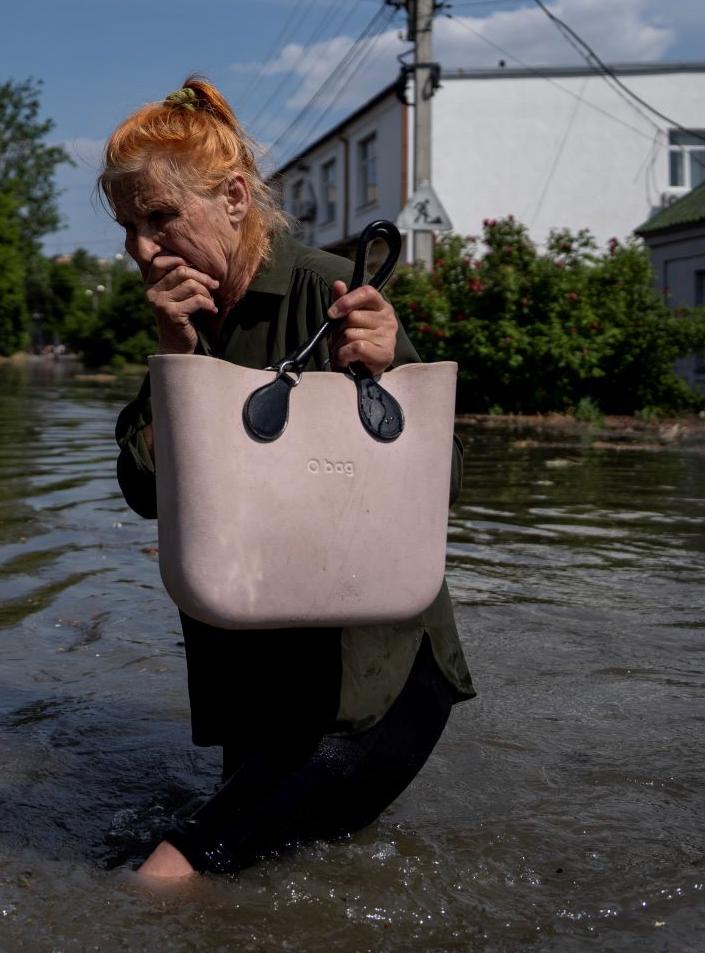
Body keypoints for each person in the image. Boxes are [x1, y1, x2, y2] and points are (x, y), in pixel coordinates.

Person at [105, 77, 475, 879]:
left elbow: (440, 485)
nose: (141, 247)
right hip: (258, 686)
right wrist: (174, 358)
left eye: (160, 216)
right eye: (128, 226)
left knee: (166, 877)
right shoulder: (189, 320)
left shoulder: (327, 289)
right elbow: (144, 494)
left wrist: (384, 362)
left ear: (235, 196)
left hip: (370, 687)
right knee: (264, 882)